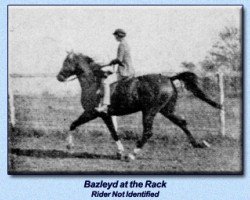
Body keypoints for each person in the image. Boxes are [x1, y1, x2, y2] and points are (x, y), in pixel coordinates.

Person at [95, 28, 135, 113]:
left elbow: (119, 59)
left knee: (106, 81)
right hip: (129, 70)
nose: (115, 37)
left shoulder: (121, 45)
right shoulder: (126, 44)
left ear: (118, 35)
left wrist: (108, 63)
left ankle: (105, 105)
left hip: (124, 71)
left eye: (115, 35)